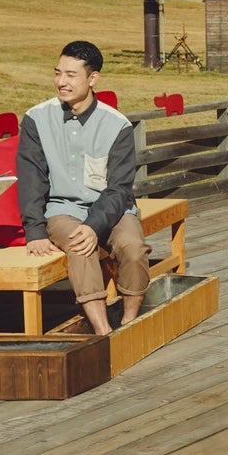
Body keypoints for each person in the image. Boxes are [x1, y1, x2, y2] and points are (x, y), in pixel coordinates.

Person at [17, 40, 148, 335]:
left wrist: (94, 224)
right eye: (57, 73)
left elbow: (119, 188)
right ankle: (103, 332)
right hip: (63, 209)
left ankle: (130, 321)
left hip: (112, 208)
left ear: (92, 79)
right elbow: (31, 177)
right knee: (80, 245)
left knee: (133, 246)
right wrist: (34, 231)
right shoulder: (37, 118)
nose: (61, 82)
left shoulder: (117, 125)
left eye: (71, 75)